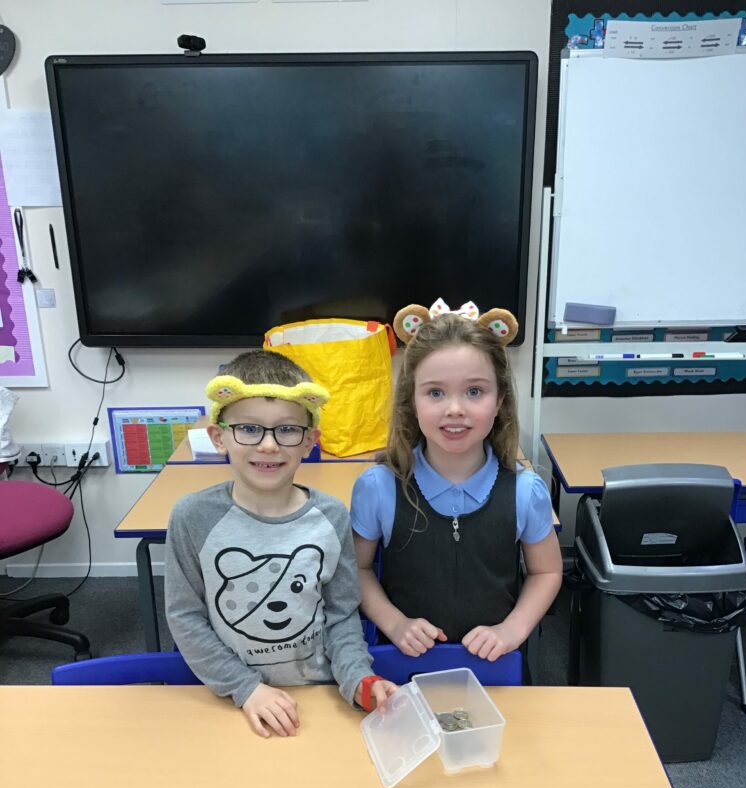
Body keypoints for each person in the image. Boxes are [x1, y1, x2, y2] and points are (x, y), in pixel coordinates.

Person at [165, 349, 397, 737]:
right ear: (219, 437)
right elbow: (185, 617)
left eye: (287, 430)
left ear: (310, 442)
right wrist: (245, 688)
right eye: (249, 428)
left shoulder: (332, 516)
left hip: (319, 696)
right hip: (232, 698)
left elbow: (341, 615)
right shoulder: (192, 517)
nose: (269, 445)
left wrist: (358, 678)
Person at [350, 301, 562, 662]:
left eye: (474, 392)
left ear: (500, 401)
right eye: (435, 393)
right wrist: (395, 623)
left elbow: (548, 570)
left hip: (495, 667)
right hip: (403, 669)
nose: (455, 409)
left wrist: (511, 631)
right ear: (411, 401)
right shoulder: (378, 487)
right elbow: (358, 568)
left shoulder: (525, 491)